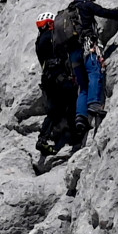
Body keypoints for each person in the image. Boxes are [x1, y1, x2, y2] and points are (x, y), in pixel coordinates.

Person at [55, 0, 118, 136]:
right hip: (88, 47)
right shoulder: (86, 5)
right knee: (95, 73)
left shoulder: (66, 14)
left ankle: (81, 117)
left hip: (73, 55)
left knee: (83, 86)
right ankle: (94, 105)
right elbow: (108, 13)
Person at [33, 11, 81, 166]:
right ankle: (76, 135)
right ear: (49, 24)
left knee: (54, 111)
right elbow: (66, 40)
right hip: (58, 75)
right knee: (72, 100)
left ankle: (42, 139)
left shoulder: (39, 41)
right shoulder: (51, 36)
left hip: (48, 80)